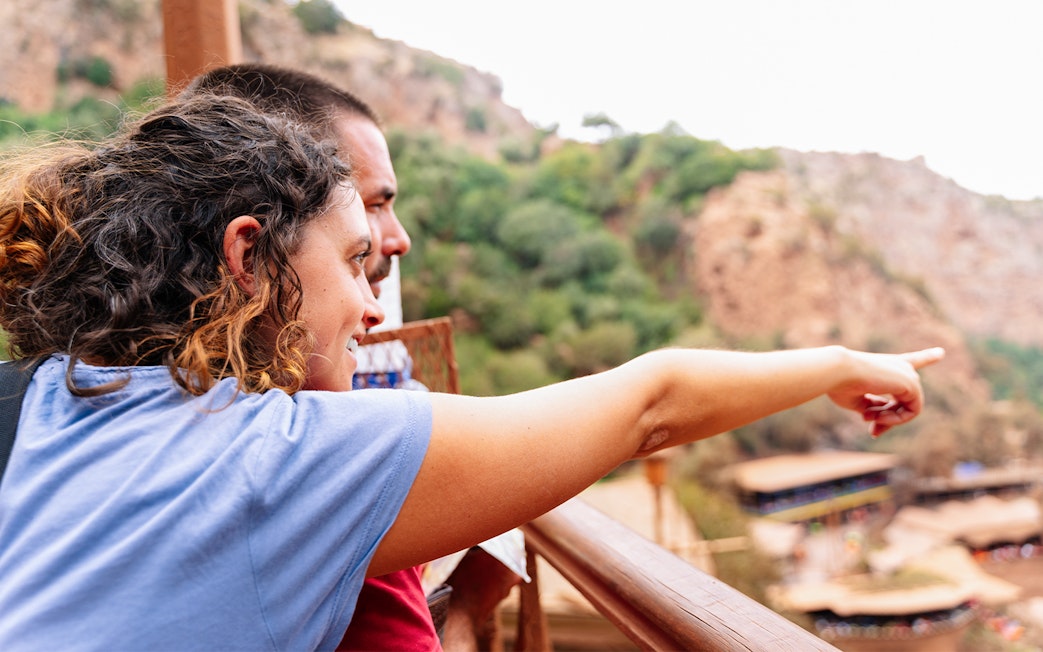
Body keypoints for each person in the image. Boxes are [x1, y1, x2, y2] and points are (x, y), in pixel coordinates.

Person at [0, 93, 944, 651]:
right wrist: (843, 363)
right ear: (250, 259)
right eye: (354, 262)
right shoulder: (271, 458)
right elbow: (650, 404)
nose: (372, 308)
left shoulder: (42, 402)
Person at [180, 63, 521, 651]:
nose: (398, 237)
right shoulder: (318, 463)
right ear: (253, 247)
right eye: (371, 209)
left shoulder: (89, 407)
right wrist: (463, 612)